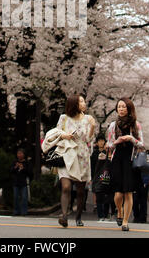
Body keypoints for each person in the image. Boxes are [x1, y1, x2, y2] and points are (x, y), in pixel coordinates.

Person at [56, 94, 96, 227]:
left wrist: (92, 127)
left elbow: (89, 140)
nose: (84, 103)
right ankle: (64, 215)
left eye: (84, 101)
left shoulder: (88, 119)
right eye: (81, 101)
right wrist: (64, 135)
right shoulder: (64, 118)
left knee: (80, 190)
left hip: (82, 157)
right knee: (66, 187)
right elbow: (56, 134)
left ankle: (78, 216)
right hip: (67, 155)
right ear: (74, 104)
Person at [107, 97, 144, 232]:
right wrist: (117, 141)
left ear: (129, 108)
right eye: (119, 107)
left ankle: (125, 221)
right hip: (117, 160)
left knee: (128, 192)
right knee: (118, 194)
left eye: (124, 107)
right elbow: (109, 145)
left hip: (130, 161)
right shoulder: (113, 125)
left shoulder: (136, 125)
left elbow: (142, 144)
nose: (121, 109)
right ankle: (119, 211)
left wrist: (131, 138)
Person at [10, 148, 32, 216]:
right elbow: (11, 171)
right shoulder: (14, 162)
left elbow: (30, 172)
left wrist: (23, 168)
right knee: (16, 197)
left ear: (24, 154)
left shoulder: (26, 163)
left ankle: (24, 211)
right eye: (18, 153)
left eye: (21, 153)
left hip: (24, 182)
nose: (19, 155)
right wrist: (15, 167)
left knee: (24, 197)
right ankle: (16, 211)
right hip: (16, 182)